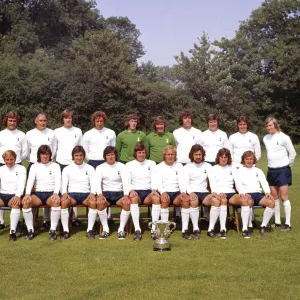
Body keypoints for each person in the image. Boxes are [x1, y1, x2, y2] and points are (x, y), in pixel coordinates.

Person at [263, 117, 296, 231]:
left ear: (276, 125)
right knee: (274, 197)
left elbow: (292, 153)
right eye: (267, 126)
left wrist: (286, 166)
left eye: (271, 125)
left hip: (282, 170)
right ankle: (277, 221)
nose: (269, 128)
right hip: (271, 170)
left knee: (284, 197)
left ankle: (288, 224)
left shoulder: (284, 137)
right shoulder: (265, 138)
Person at [208, 148, 249, 239]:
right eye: (221, 157)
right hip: (219, 193)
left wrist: (242, 192)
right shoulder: (213, 169)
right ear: (218, 157)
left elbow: (238, 183)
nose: (223, 159)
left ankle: (245, 229)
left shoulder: (233, 168)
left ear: (228, 158)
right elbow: (212, 184)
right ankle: (223, 229)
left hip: (231, 193)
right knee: (223, 200)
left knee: (245, 200)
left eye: (225, 157)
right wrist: (218, 193)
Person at [23, 145, 61, 240]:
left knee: (56, 202)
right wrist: (27, 194)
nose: (45, 156)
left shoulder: (55, 166)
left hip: (51, 193)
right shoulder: (34, 166)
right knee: (26, 202)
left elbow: (58, 181)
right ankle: (30, 230)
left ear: (50, 155)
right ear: (39, 155)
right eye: (43, 154)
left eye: (47, 154)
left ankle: (52, 231)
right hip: (38, 194)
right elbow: (30, 181)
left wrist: (56, 193)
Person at [26, 113, 57, 228]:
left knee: (48, 188)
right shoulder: (29, 134)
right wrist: (34, 161)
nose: (42, 123)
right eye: (40, 120)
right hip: (34, 165)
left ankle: (46, 220)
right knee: (34, 192)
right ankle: (32, 221)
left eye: (44, 120)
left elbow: (54, 149)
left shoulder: (51, 133)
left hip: (48, 164)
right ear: (35, 121)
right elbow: (26, 151)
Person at [60, 146, 97, 239]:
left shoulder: (90, 168)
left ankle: (89, 230)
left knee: (93, 202)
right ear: (73, 156)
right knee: (64, 202)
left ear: (84, 156)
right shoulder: (67, 168)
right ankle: (65, 230)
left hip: (86, 195)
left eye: (81, 155)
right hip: (72, 195)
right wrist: (64, 193)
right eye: (76, 155)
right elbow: (63, 184)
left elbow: (94, 183)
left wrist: (92, 193)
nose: (79, 157)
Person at [236, 151, 275, 235]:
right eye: (247, 159)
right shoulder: (239, 171)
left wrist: (267, 192)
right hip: (247, 194)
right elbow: (238, 184)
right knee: (248, 202)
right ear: (243, 160)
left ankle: (263, 226)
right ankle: (249, 226)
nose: (249, 161)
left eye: (251, 159)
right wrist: (243, 193)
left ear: (254, 160)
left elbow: (264, 182)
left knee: (271, 203)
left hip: (258, 194)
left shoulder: (258, 170)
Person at [54, 109, 82, 226]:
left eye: (70, 117)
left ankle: (74, 218)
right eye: (66, 117)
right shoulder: (56, 131)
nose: (68, 119)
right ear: (63, 119)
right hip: (61, 163)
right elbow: (54, 149)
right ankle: (61, 217)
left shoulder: (78, 131)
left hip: (74, 164)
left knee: (73, 189)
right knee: (62, 190)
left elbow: (80, 148)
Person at [96, 146, 131, 240]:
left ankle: (121, 230)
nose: (110, 157)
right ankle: (105, 229)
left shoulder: (122, 166)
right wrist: (99, 195)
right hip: (106, 194)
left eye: (112, 154)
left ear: (115, 155)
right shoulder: (100, 168)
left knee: (127, 203)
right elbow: (97, 183)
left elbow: (125, 183)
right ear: (105, 157)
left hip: (119, 194)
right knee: (99, 203)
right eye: (108, 155)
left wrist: (126, 195)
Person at [126, 143, 159, 240]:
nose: (141, 154)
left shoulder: (151, 163)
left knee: (157, 198)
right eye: (139, 152)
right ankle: (137, 230)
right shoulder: (129, 164)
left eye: (143, 152)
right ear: (135, 153)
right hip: (136, 191)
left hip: (148, 192)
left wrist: (154, 189)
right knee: (133, 198)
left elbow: (155, 178)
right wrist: (130, 190)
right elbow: (127, 181)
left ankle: (154, 229)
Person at [0, 111, 27, 228]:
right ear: (6, 121)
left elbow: (25, 152)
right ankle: (1, 221)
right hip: (1, 164)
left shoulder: (21, 135)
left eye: (14, 121)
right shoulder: (1, 134)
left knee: (15, 190)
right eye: (10, 121)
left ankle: (14, 224)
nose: (12, 123)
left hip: (16, 164)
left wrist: (16, 161)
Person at [173, 111, 202, 219]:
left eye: (189, 118)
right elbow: (174, 148)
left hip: (193, 163)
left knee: (195, 186)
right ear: (182, 120)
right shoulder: (176, 132)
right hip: (180, 163)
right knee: (180, 187)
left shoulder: (198, 132)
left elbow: (200, 148)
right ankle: (177, 214)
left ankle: (204, 215)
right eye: (185, 118)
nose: (187, 120)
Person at [180, 145, 213, 239]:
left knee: (216, 201)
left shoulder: (208, 166)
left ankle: (211, 229)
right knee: (194, 201)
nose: (198, 157)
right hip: (193, 192)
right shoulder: (187, 167)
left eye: (200, 154)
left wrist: (214, 192)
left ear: (203, 155)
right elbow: (185, 183)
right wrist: (190, 192)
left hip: (205, 193)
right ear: (192, 155)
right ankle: (194, 228)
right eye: (196, 155)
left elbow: (212, 181)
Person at [0, 150, 27, 241]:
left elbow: (22, 183)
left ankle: (12, 232)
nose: (9, 162)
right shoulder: (1, 169)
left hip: (15, 195)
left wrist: (18, 195)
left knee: (15, 204)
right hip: (2, 194)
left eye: (11, 159)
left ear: (15, 159)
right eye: (7, 159)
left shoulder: (21, 168)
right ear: (4, 160)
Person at [155, 146, 185, 223]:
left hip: (176, 193)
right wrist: (163, 192)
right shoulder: (159, 167)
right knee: (164, 200)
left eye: (172, 154)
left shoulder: (179, 166)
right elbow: (158, 182)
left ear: (175, 156)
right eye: (168, 154)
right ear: (164, 155)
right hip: (165, 192)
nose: (170, 156)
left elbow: (182, 181)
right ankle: (165, 227)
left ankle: (185, 229)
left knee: (185, 200)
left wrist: (183, 192)